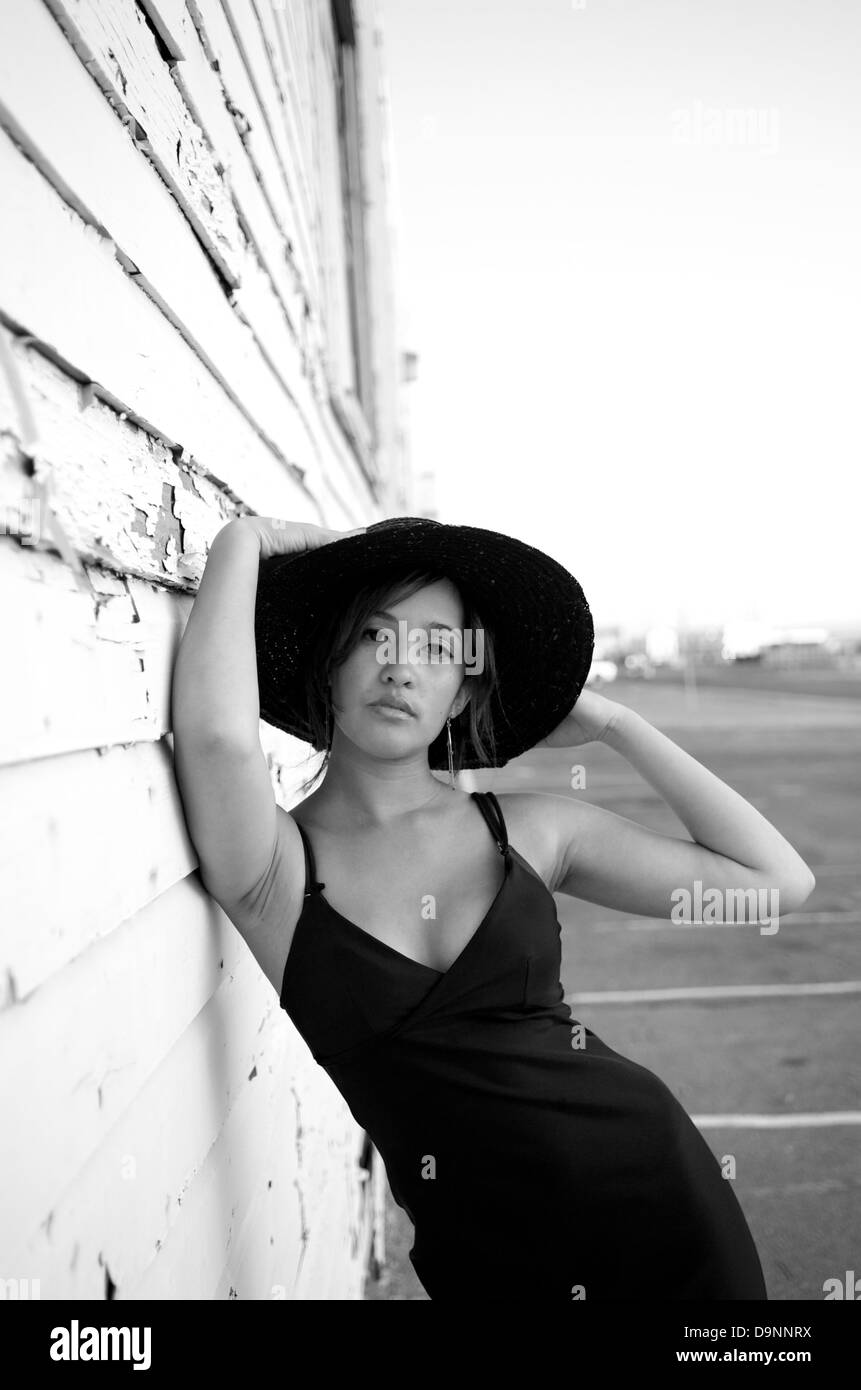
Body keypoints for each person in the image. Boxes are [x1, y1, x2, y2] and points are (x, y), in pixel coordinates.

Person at [171, 514, 816, 1300]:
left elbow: (772, 882)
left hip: (661, 1204)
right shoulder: (273, 869)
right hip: (490, 1257)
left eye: (438, 648)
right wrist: (240, 543)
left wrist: (620, 726)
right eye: (373, 636)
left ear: (461, 690)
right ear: (327, 662)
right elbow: (216, 740)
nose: (402, 667)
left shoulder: (531, 830)